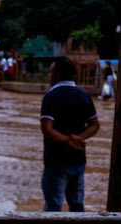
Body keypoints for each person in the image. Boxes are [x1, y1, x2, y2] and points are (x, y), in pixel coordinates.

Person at [39, 57, 100, 212]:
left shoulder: (51, 97)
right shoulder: (83, 95)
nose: (49, 76)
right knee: (77, 205)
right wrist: (79, 138)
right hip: (79, 160)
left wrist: (67, 140)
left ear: (57, 74)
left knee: (53, 206)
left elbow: (47, 129)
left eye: (51, 72)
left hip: (56, 161)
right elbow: (95, 125)